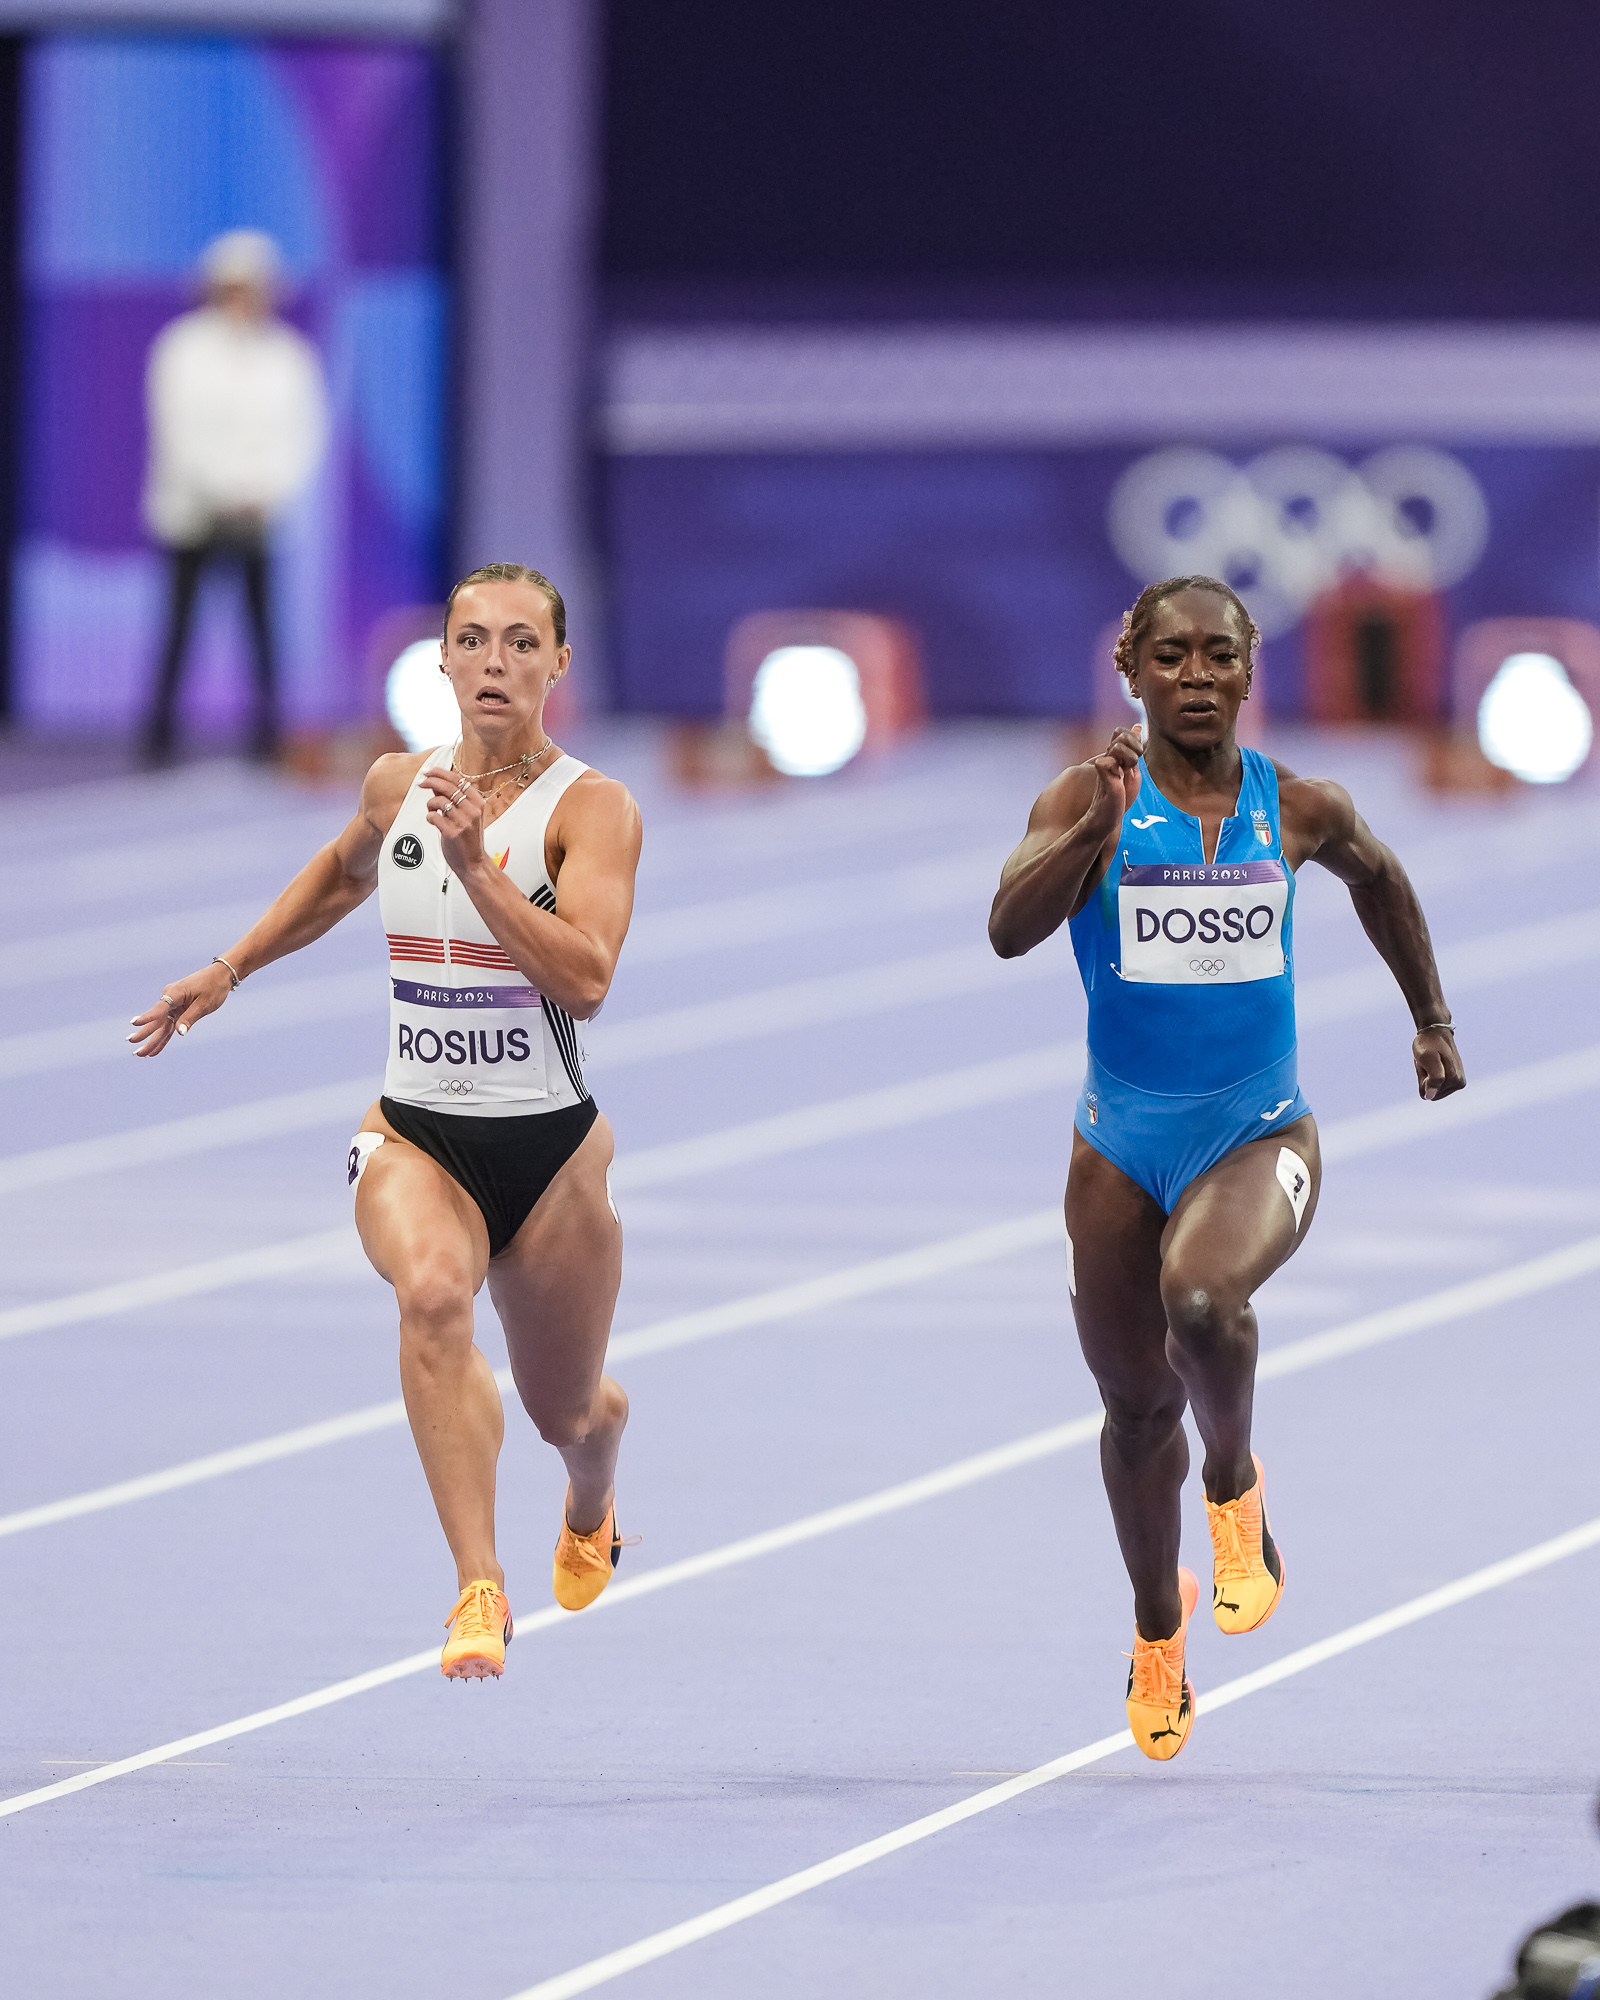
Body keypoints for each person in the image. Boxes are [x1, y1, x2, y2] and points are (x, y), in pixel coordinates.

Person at [132, 564, 642, 1681]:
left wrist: (478, 871)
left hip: (549, 1151)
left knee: (568, 1411)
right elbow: (339, 873)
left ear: (559, 663)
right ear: (444, 659)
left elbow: (587, 979)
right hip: (416, 1130)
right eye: (473, 639)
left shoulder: (593, 808)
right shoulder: (395, 785)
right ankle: (478, 1586)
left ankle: (592, 1497)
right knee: (432, 1296)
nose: (494, 662)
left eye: (521, 642)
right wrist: (231, 966)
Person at [988, 574, 1464, 1761]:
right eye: (1169, 656)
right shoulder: (1085, 796)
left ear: (1250, 671)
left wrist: (1430, 1019)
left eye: (1216, 655)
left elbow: (1380, 878)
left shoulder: (1296, 806)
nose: (1194, 675)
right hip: (1117, 1146)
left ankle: (1235, 1489)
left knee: (1200, 1300)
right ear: (1130, 671)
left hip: (1258, 1132)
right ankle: (1159, 1627)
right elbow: (1005, 929)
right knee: (1133, 1408)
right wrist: (1091, 834)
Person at [140, 229, 328, 765]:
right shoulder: (182, 349)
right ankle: (159, 739)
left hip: (261, 516)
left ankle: (267, 739)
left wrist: (266, 491)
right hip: (192, 512)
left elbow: (302, 436)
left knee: (262, 630)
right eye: (233, 288)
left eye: (253, 287)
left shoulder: (289, 356)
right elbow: (179, 430)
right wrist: (225, 489)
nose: (243, 299)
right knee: (179, 627)